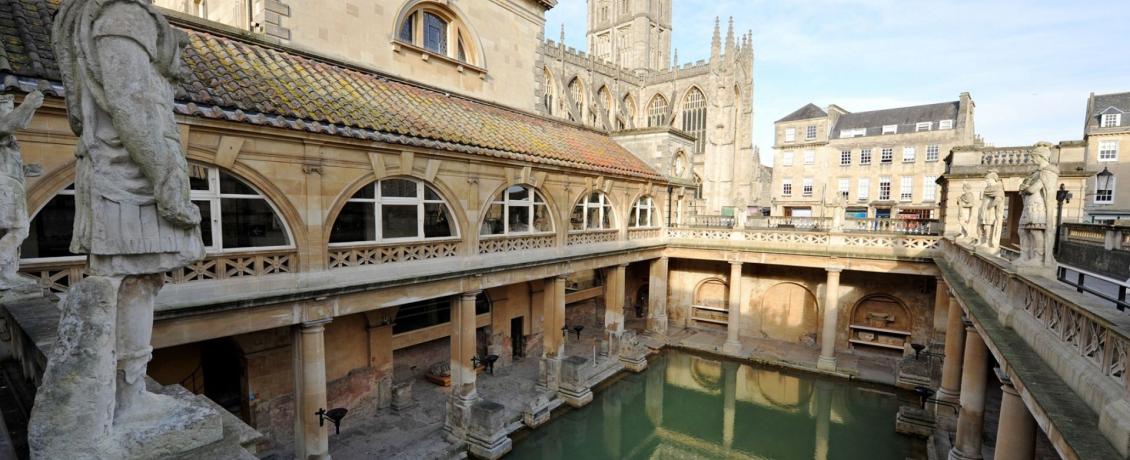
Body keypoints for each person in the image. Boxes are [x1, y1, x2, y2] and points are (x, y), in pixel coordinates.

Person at [54, 0, 204, 422]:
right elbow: (132, 104)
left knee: (132, 282)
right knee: (134, 282)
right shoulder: (121, 16)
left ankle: (124, 391)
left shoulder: (95, 17)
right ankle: (128, 396)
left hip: (118, 178)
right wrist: (168, 182)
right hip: (131, 184)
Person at [0, 91, 43, 288]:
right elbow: (9, 124)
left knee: (14, 230)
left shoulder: (8, 140)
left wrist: (26, 169)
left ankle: (7, 274)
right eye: (6, 107)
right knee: (20, 229)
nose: (9, 111)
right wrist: (28, 105)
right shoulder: (4, 129)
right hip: (5, 186)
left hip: (11, 185)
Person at [1018, 143, 1058, 266]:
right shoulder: (1035, 173)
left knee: (1035, 231)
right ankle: (1024, 256)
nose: (1032, 159)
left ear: (1041, 156)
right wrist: (1024, 188)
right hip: (1029, 206)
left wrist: (1025, 188)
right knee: (1022, 231)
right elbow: (1026, 188)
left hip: (1038, 206)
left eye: (1034, 156)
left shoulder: (1048, 172)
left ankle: (1038, 257)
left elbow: (1032, 189)